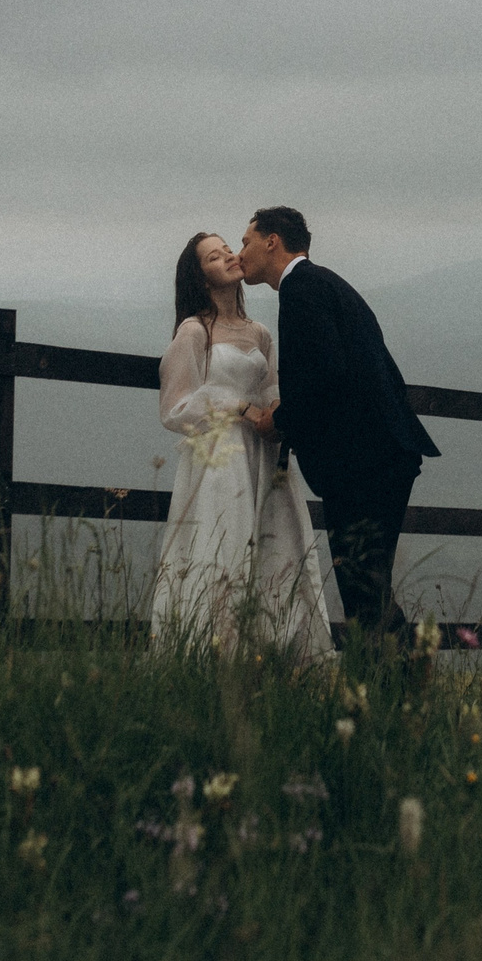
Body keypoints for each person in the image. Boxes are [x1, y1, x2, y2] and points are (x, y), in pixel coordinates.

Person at [238, 206, 441, 639]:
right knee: (370, 587)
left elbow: (325, 374)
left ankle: (402, 682)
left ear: (272, 240)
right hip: (383, 454)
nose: (241, 252)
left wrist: (281, 419)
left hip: (363, 463)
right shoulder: (323, 283)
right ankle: (400, 686)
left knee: (363, 591)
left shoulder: (300, 290)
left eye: (246, 240)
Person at [148, 231, 338, 658]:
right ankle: (217, 651)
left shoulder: (261, 333)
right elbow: (175, 405)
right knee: (224, 545)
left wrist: (275, 415)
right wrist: (238, 408)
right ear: (201, 278)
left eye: (228, 249)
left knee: (278, 542)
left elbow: (273, 388)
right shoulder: (194, 332)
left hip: (265, 451)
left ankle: (277, 650)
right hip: (220, 456)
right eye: (215, 257)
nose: (230, 257)